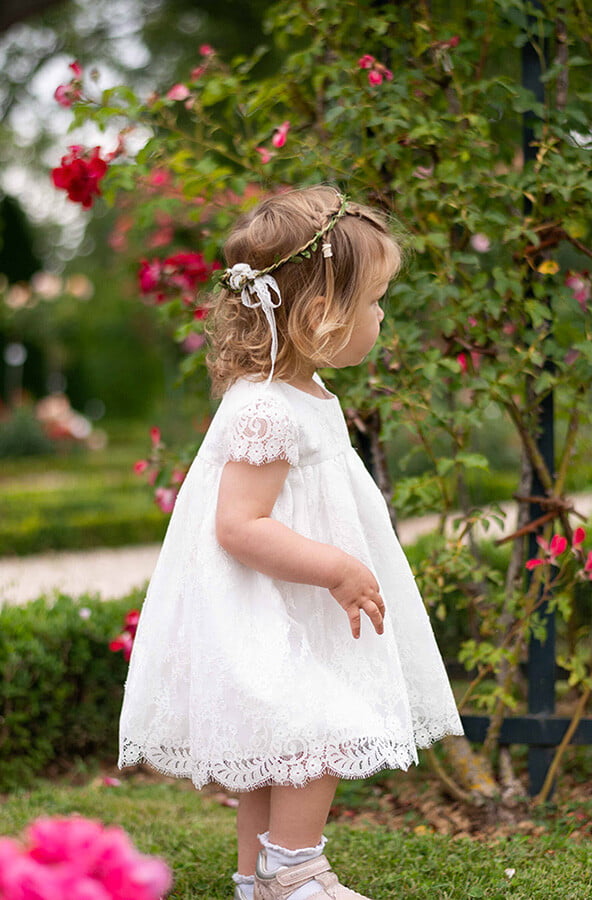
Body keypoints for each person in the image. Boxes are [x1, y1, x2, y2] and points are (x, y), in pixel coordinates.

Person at [118, 185, 463, 900]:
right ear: (318, 316)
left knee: (272, 747)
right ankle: (295, 869)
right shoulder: (267, 408)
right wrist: (334, 566)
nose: (380, 315)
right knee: (317, 724)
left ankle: (257, 878)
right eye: (372, 302)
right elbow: (238, 525)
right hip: (267, 603)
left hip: (289, 599)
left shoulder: (297, 393)